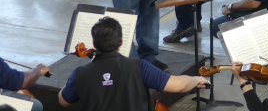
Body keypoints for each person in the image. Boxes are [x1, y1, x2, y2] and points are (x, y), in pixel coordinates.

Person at [57, 17, 211, 109]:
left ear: (94, 43)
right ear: (121, 42)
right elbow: (179, 85)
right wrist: (196, 79)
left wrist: (74, 82)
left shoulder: (81, 74)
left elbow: (63, 101)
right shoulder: (139, 67)